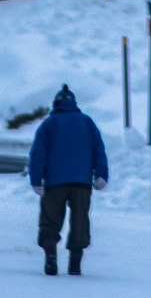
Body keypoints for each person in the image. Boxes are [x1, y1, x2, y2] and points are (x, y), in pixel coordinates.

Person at [28, 84, 108, 276]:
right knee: (80, 220)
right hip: (81, 182)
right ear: (74, 103)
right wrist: (102, 174)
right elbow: (99, 150)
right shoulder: (87, 122)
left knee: (50, 219)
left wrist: (36, 179)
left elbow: (38, 154)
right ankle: (75, 262)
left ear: (55, 103)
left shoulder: (49, 124)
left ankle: (51, 255)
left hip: (55, 182)